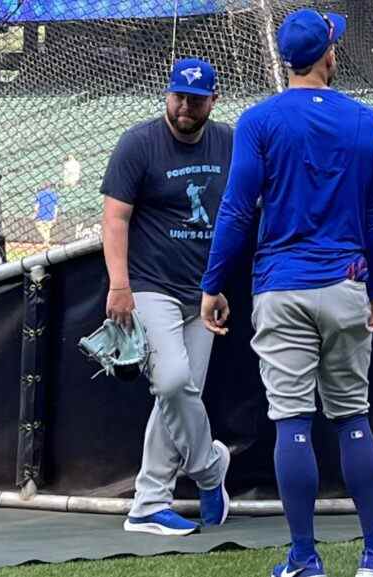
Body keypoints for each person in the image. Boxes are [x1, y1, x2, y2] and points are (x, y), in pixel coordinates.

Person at [200, 9, 373, 577]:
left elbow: (238, 209)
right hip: (344, 283)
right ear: (328, 55)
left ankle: (304, 557)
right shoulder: (367, 121)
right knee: (352, 419)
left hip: (280, 287)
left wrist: (213, 283)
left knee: (291, 421)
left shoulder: (258, 120)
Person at [100, 57, 232, 537]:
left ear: (212, 101)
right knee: (174, 382)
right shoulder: (139, 142)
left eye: (195, 100)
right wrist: (120, 286)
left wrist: (219, 285)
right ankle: (211, 468)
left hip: (202, 291)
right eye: (178, 96)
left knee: (176, 399)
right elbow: (114, 219)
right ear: (167, 95)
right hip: (149, 286)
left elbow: (237, 214)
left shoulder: (229, 141)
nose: (184, 107)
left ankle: (150, 502)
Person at [34, 181, 59, 249]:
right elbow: (56, 207)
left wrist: (35, 214)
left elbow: (36, 207)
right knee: (47, 230)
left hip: (41, 216)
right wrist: (55, 217)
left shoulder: (39, 194)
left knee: (39, 226)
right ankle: (46, 242)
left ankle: (47, 240)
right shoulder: (54, 195)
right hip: (50, 216)